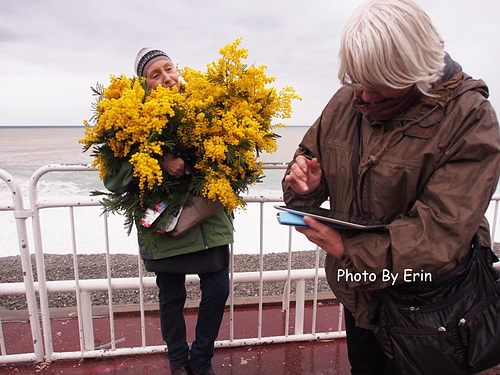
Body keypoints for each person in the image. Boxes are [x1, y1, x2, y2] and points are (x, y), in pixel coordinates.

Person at [282, 0, 500, 374]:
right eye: (355, 82)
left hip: (432, 301)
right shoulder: (345, 102)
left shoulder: (470, 116)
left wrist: (349, 248)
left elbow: (442, 229)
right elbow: (307, 160)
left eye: (380, 88)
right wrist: (304, 185)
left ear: (417, 72)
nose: (363, 98)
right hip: (359, 290)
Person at [104, 48, 234, 375]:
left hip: (208, 222)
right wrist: (158, 160)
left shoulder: (205, 109)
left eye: (169, 69)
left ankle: (201, 360)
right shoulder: (130, 120)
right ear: (144, 85)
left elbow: (231, 158)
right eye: (156, 74)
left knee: (218, 290)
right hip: (163, 225)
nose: (167, 78)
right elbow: (111, 176)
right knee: (171, 297)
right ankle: (178, 361)